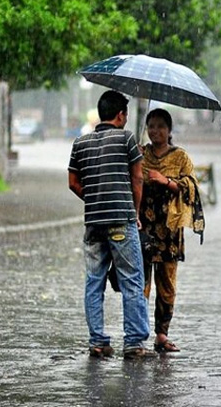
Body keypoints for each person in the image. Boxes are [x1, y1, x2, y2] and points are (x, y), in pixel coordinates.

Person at [68, 90, 153, 359]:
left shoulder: (80, 143)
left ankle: (98, 341)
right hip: (121, 222)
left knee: (94, 282)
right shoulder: (127, 139)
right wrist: (134, 212)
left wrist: (93, 198)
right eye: (125, 115)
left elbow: (72, 182)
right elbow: (137, 180)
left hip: (93, 224)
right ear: (120, 115)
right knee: (131, 280)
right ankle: (134, 343)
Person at [139, 108, 204, 353]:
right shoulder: (140, 153)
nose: (155, 131)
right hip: (143, 228)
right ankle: (137, 333)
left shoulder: (180, 157)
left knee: (166, 283)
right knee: (141, 283)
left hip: (170, 231)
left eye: (160, 127)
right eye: (151, 126)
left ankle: (161, 334)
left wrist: (166, 181)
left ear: (169, 130)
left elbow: (193, 188)